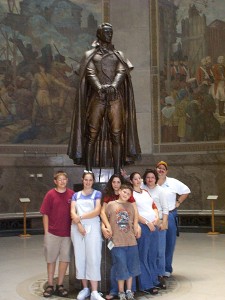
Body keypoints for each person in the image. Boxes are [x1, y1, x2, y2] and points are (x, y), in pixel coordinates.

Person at [67, 22, 141, 174]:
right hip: (97, 97)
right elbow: (89, 72)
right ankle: (88, 171)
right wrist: (99, 87)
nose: (109, 34)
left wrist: (114, 85)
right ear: (99, 34)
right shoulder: (89, 55)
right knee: (91, 133)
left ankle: (116, 171)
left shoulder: (118, 54)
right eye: (106, 32)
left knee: (116, 133)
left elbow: (122, 70)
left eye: (111, 32)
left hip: (115, 97)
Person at [100, 174, 140, 299]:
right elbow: (103, 215)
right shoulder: (111, 204)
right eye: (124, 192)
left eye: (128, 193)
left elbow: (134, 219)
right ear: (119, 192)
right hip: (117, 242)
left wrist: (137, 227)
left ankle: (129, 290)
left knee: (131, 267)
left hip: (131, 241)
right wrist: (106, 226)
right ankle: (120, 291)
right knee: (120, 266)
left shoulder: (131, 206)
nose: (125, 194)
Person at [40, 170, 74, 298]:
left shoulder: (72, 194)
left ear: (67, 180)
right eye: (59, 179)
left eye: (64, 179)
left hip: (67, 234)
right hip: (52, 233)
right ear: (55, 181)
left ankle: (60, 284)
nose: (62, 182)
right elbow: (45, 214)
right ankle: (50, 284)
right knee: (51, 259)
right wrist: (47, 232)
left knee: (64, 260)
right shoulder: (50, 194)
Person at [70, 171, 104, 300]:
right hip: (77, 228)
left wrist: (80, 217)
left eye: (90, 180)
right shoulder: (76, 195)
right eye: (86, 180)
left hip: (92, 227)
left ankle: (94, 291)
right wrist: (79, 224)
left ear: (93, 181)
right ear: (82, 180)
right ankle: (85, 289)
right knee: (80, 257)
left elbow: (96, 211)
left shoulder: (97, 194)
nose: (88, 182)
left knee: (93, 257)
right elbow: (72, 211)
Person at [156, 161, 190, 278]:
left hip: (169, 215)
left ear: (167, 171)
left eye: (163, 169)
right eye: (159, 168)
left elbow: (186, 191)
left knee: (169, 243)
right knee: (156, 244)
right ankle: (156, 268)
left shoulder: (173, 182)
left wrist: (178, 202)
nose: (161, 170)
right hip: (155, 217)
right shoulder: (150, 181)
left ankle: (166, 268)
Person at [130, 172, 159, 296]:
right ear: (131, 181)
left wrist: (157, 217)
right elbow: (134, 213)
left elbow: (154, 206)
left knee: (152, 255)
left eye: (139, 178)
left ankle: (153, 279)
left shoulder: (146, 192)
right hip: (143, 226)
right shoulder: (131, 194)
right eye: (135, 179)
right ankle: (145, 284)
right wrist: (147, 222)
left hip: (154, 225)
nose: (138, 180)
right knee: (143, 256)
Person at [141, 168, 169, 289]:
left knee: (159, 251)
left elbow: (165, 208)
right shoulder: (142, 190)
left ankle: (159, 274)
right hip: (146, 224)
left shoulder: (160, 191)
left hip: (158, 223)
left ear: (155, 179)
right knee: (148, 251)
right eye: (148, 177)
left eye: (152, 177)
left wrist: (164, 222)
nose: (150, 179)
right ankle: (150, 274)